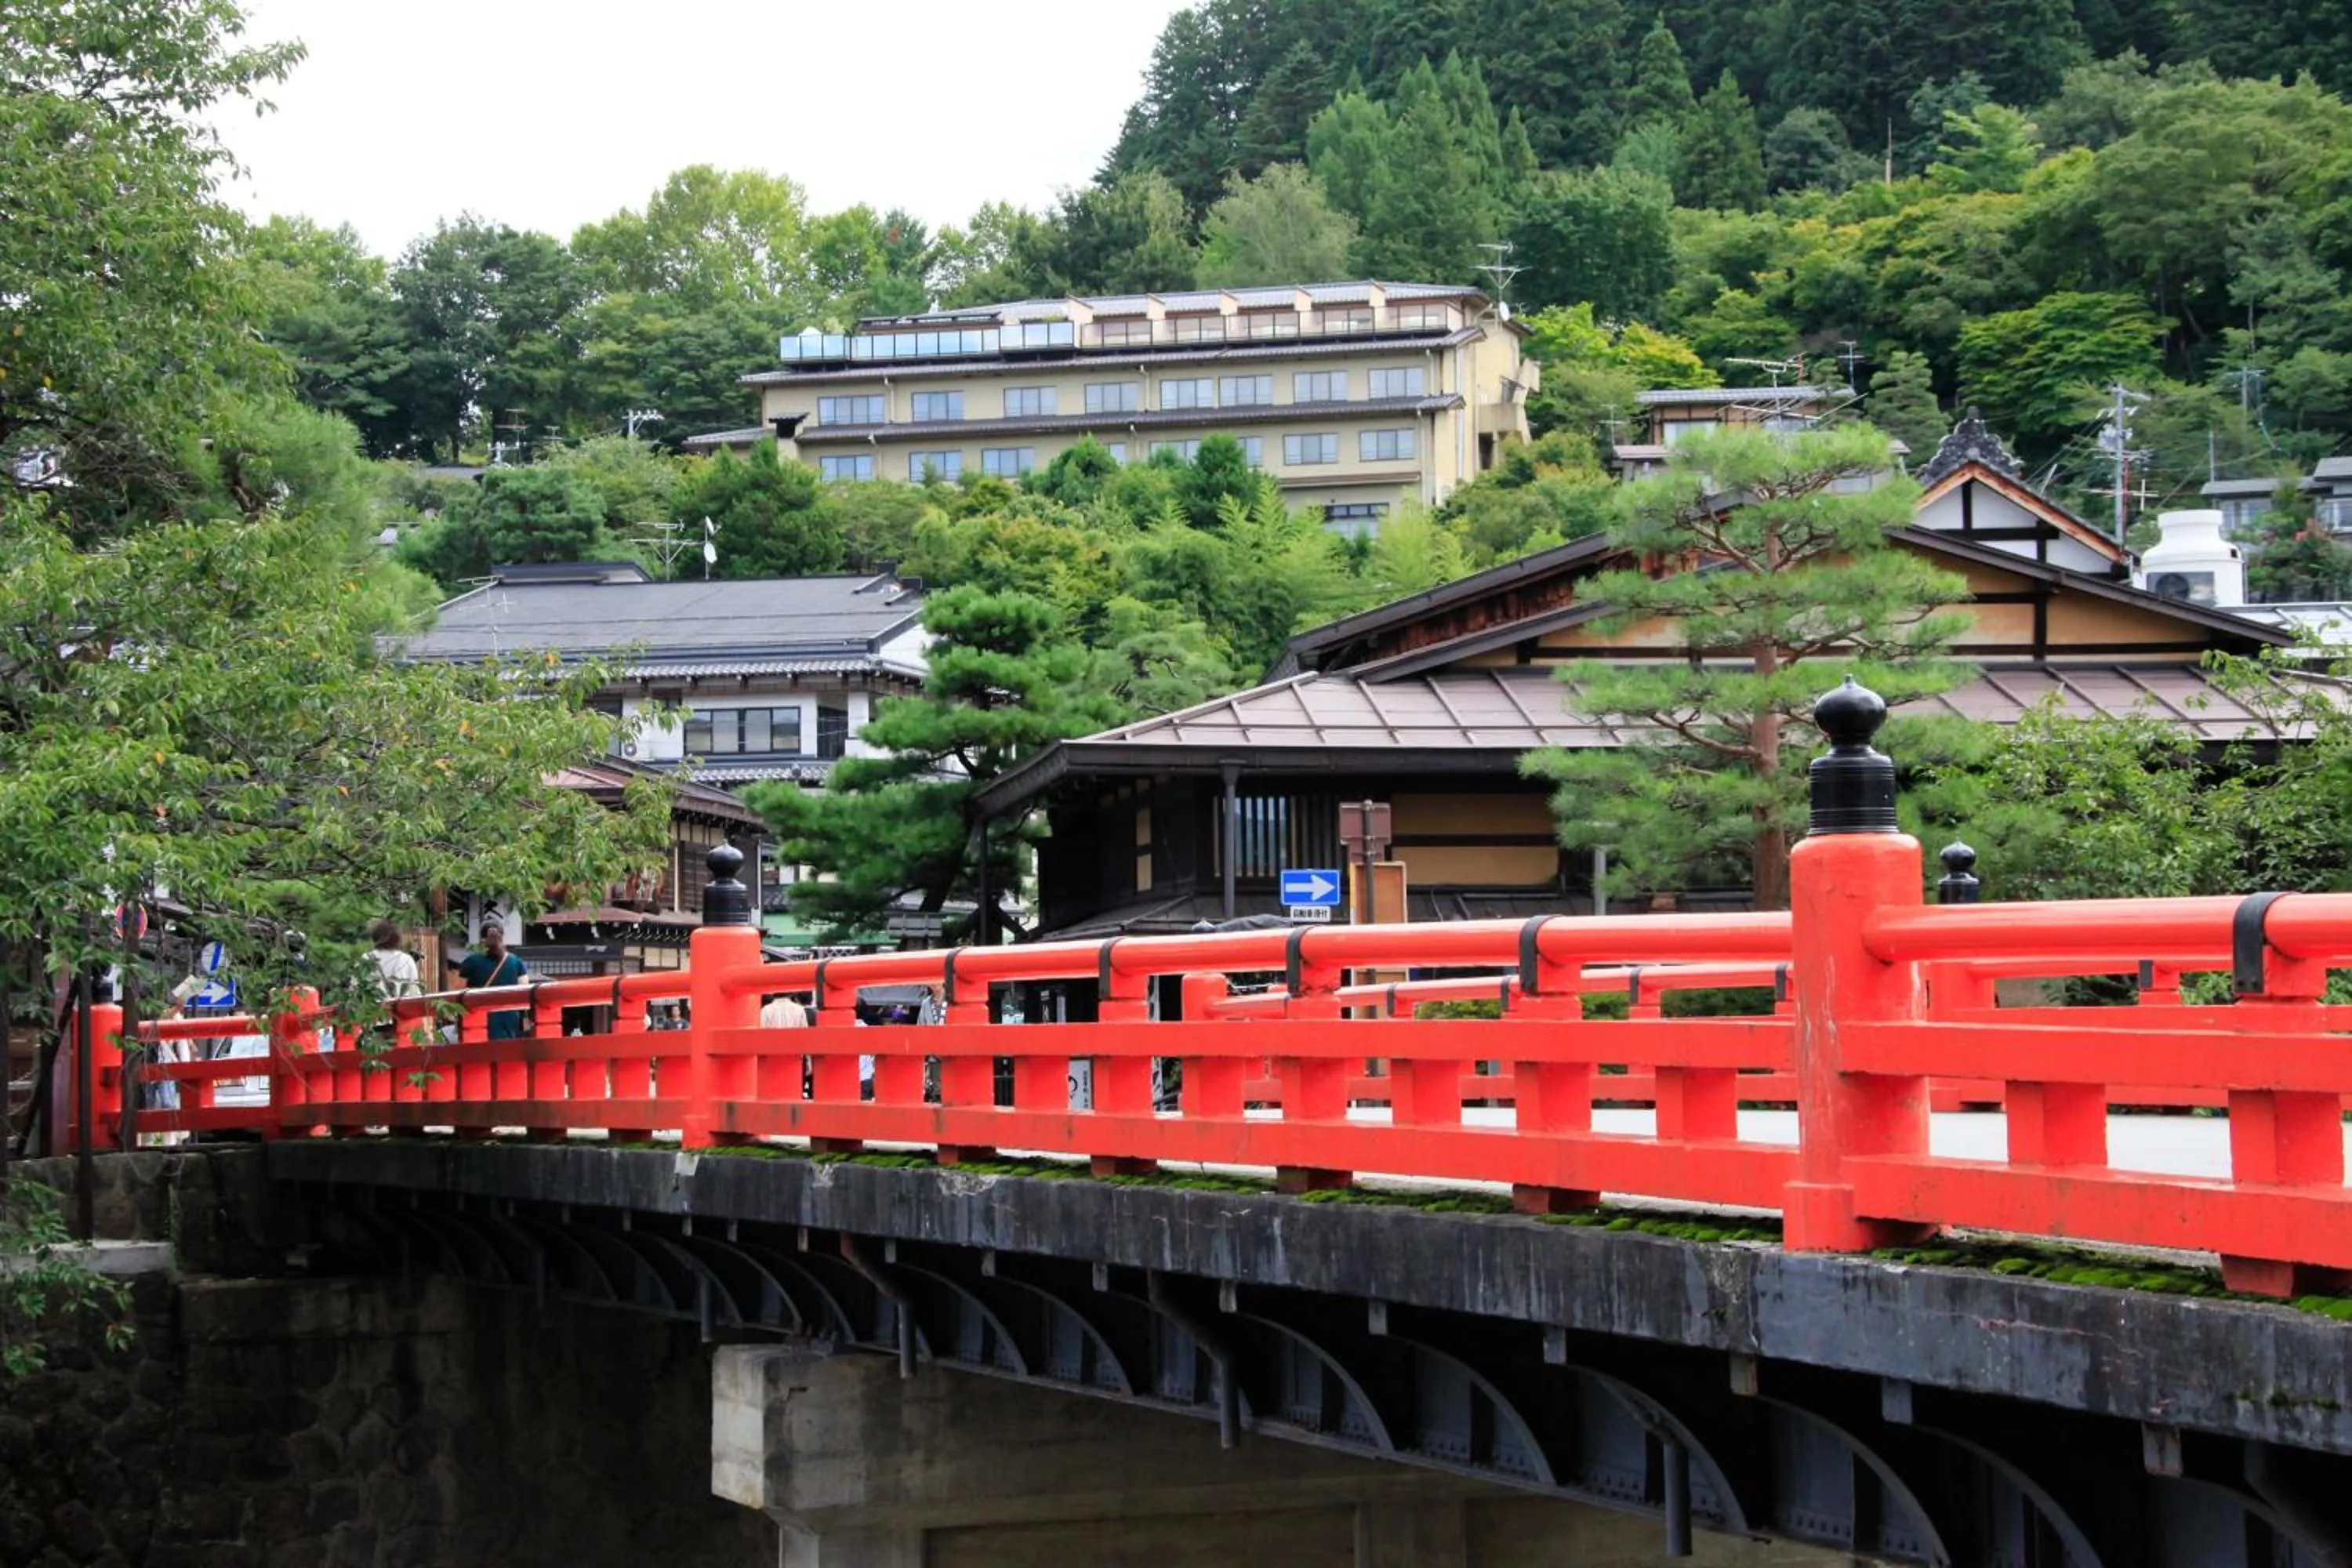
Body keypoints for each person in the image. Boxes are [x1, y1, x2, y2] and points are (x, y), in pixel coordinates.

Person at [455, 924, 528, 1039]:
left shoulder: (471, 961)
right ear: (503, 938)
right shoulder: (516, 962)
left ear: (482, 939)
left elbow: (458, 992)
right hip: (509, 1021)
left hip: (477, 1022)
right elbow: (524, 993)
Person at [366, 920, 422, 1001]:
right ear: (398, 939)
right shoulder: (406, 960)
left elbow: (355, 990)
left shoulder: (366, 958)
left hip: (372, 1010)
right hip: (401, 1009)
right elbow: (415, 993)